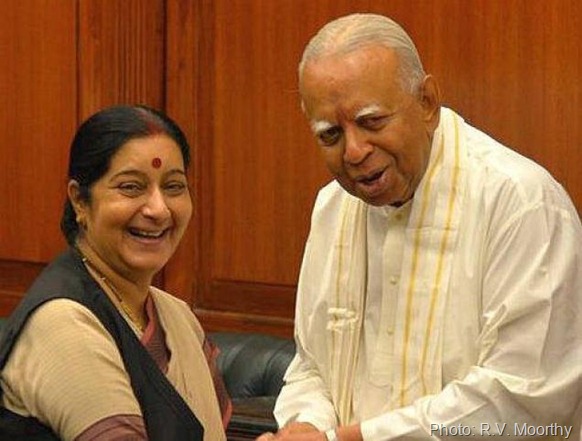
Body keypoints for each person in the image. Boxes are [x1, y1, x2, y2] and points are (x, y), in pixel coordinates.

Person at [257, 13, 582, 441]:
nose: (354, 151)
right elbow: (313, 365)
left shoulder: (519, 201)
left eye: (372, 122)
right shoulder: (332, 207)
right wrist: (305, 426)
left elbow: (525, 401)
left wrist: (347, 439)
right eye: (331, 135)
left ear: (427, 102)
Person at [0, 105, 231, 440]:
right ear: (80, 201)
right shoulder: (62, 323)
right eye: (131, 187)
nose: (158, 209)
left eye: (174, 187)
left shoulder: (178, 317)